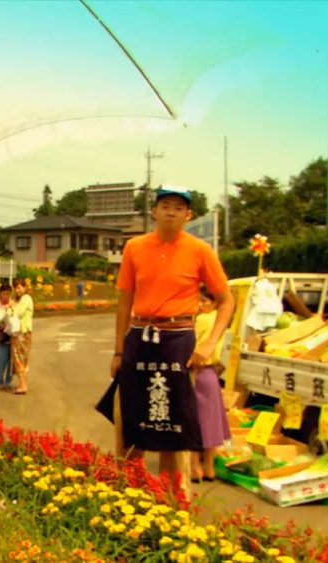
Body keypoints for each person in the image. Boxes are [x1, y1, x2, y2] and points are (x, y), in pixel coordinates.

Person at [109, 185, 234, 490]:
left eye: (179, 207)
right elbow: (124, 301)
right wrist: (118, 351)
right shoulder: (135, 247)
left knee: (172, 423)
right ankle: (128, 490)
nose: (171, 211)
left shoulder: (200, 251)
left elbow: (226, 300)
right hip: (140, 335)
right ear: (154, 211)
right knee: (132, 414)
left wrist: (209, 342)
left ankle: (171, 496)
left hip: (179, 339)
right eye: (165, 205)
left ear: (188, 215)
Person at [190, 285, 231, 482]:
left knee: (193, 420)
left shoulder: (201, 320)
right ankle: (209, 469)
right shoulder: (221, 321)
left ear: (214, 302)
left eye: (204, 301)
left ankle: (194, 467)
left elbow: (193, 345)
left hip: (196, 373)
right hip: (212, 375)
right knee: (212, 422)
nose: (199, 305)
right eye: (198, 301)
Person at [10, 278, 34, 395]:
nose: (17, 290)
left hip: (22, 332)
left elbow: (18, 313)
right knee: (22, 359)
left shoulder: (25, 299)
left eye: (19, 287)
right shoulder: (22, 299)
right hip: (24, 332)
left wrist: (11, 306)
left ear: (24, 288)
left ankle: (23, 386)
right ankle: (23, 384)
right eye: (16, 287)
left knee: (19, 358)